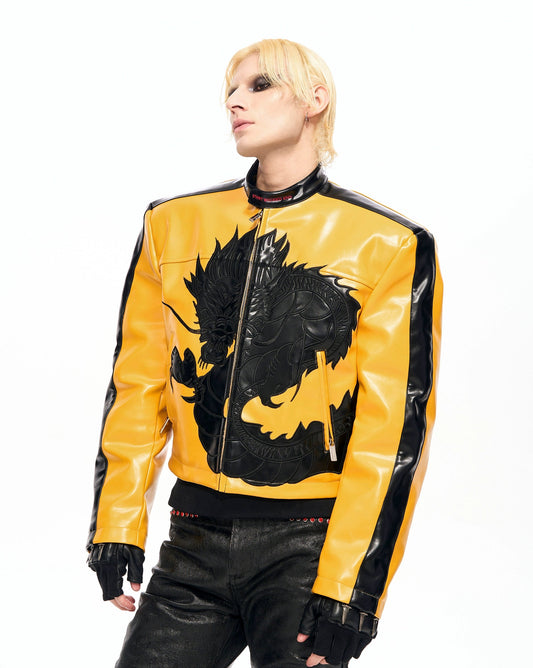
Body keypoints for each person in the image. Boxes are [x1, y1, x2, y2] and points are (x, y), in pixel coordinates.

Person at [87, 38, 443, 667]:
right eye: (230, 89)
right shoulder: (171, 224)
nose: (234, 101)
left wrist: (353, 590)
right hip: (192, 540)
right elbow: (138, 383)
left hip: (308, 551)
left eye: (259, 85)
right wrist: (116, 523)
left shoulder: (388, 243)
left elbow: (391, 432)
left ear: (314, 99)